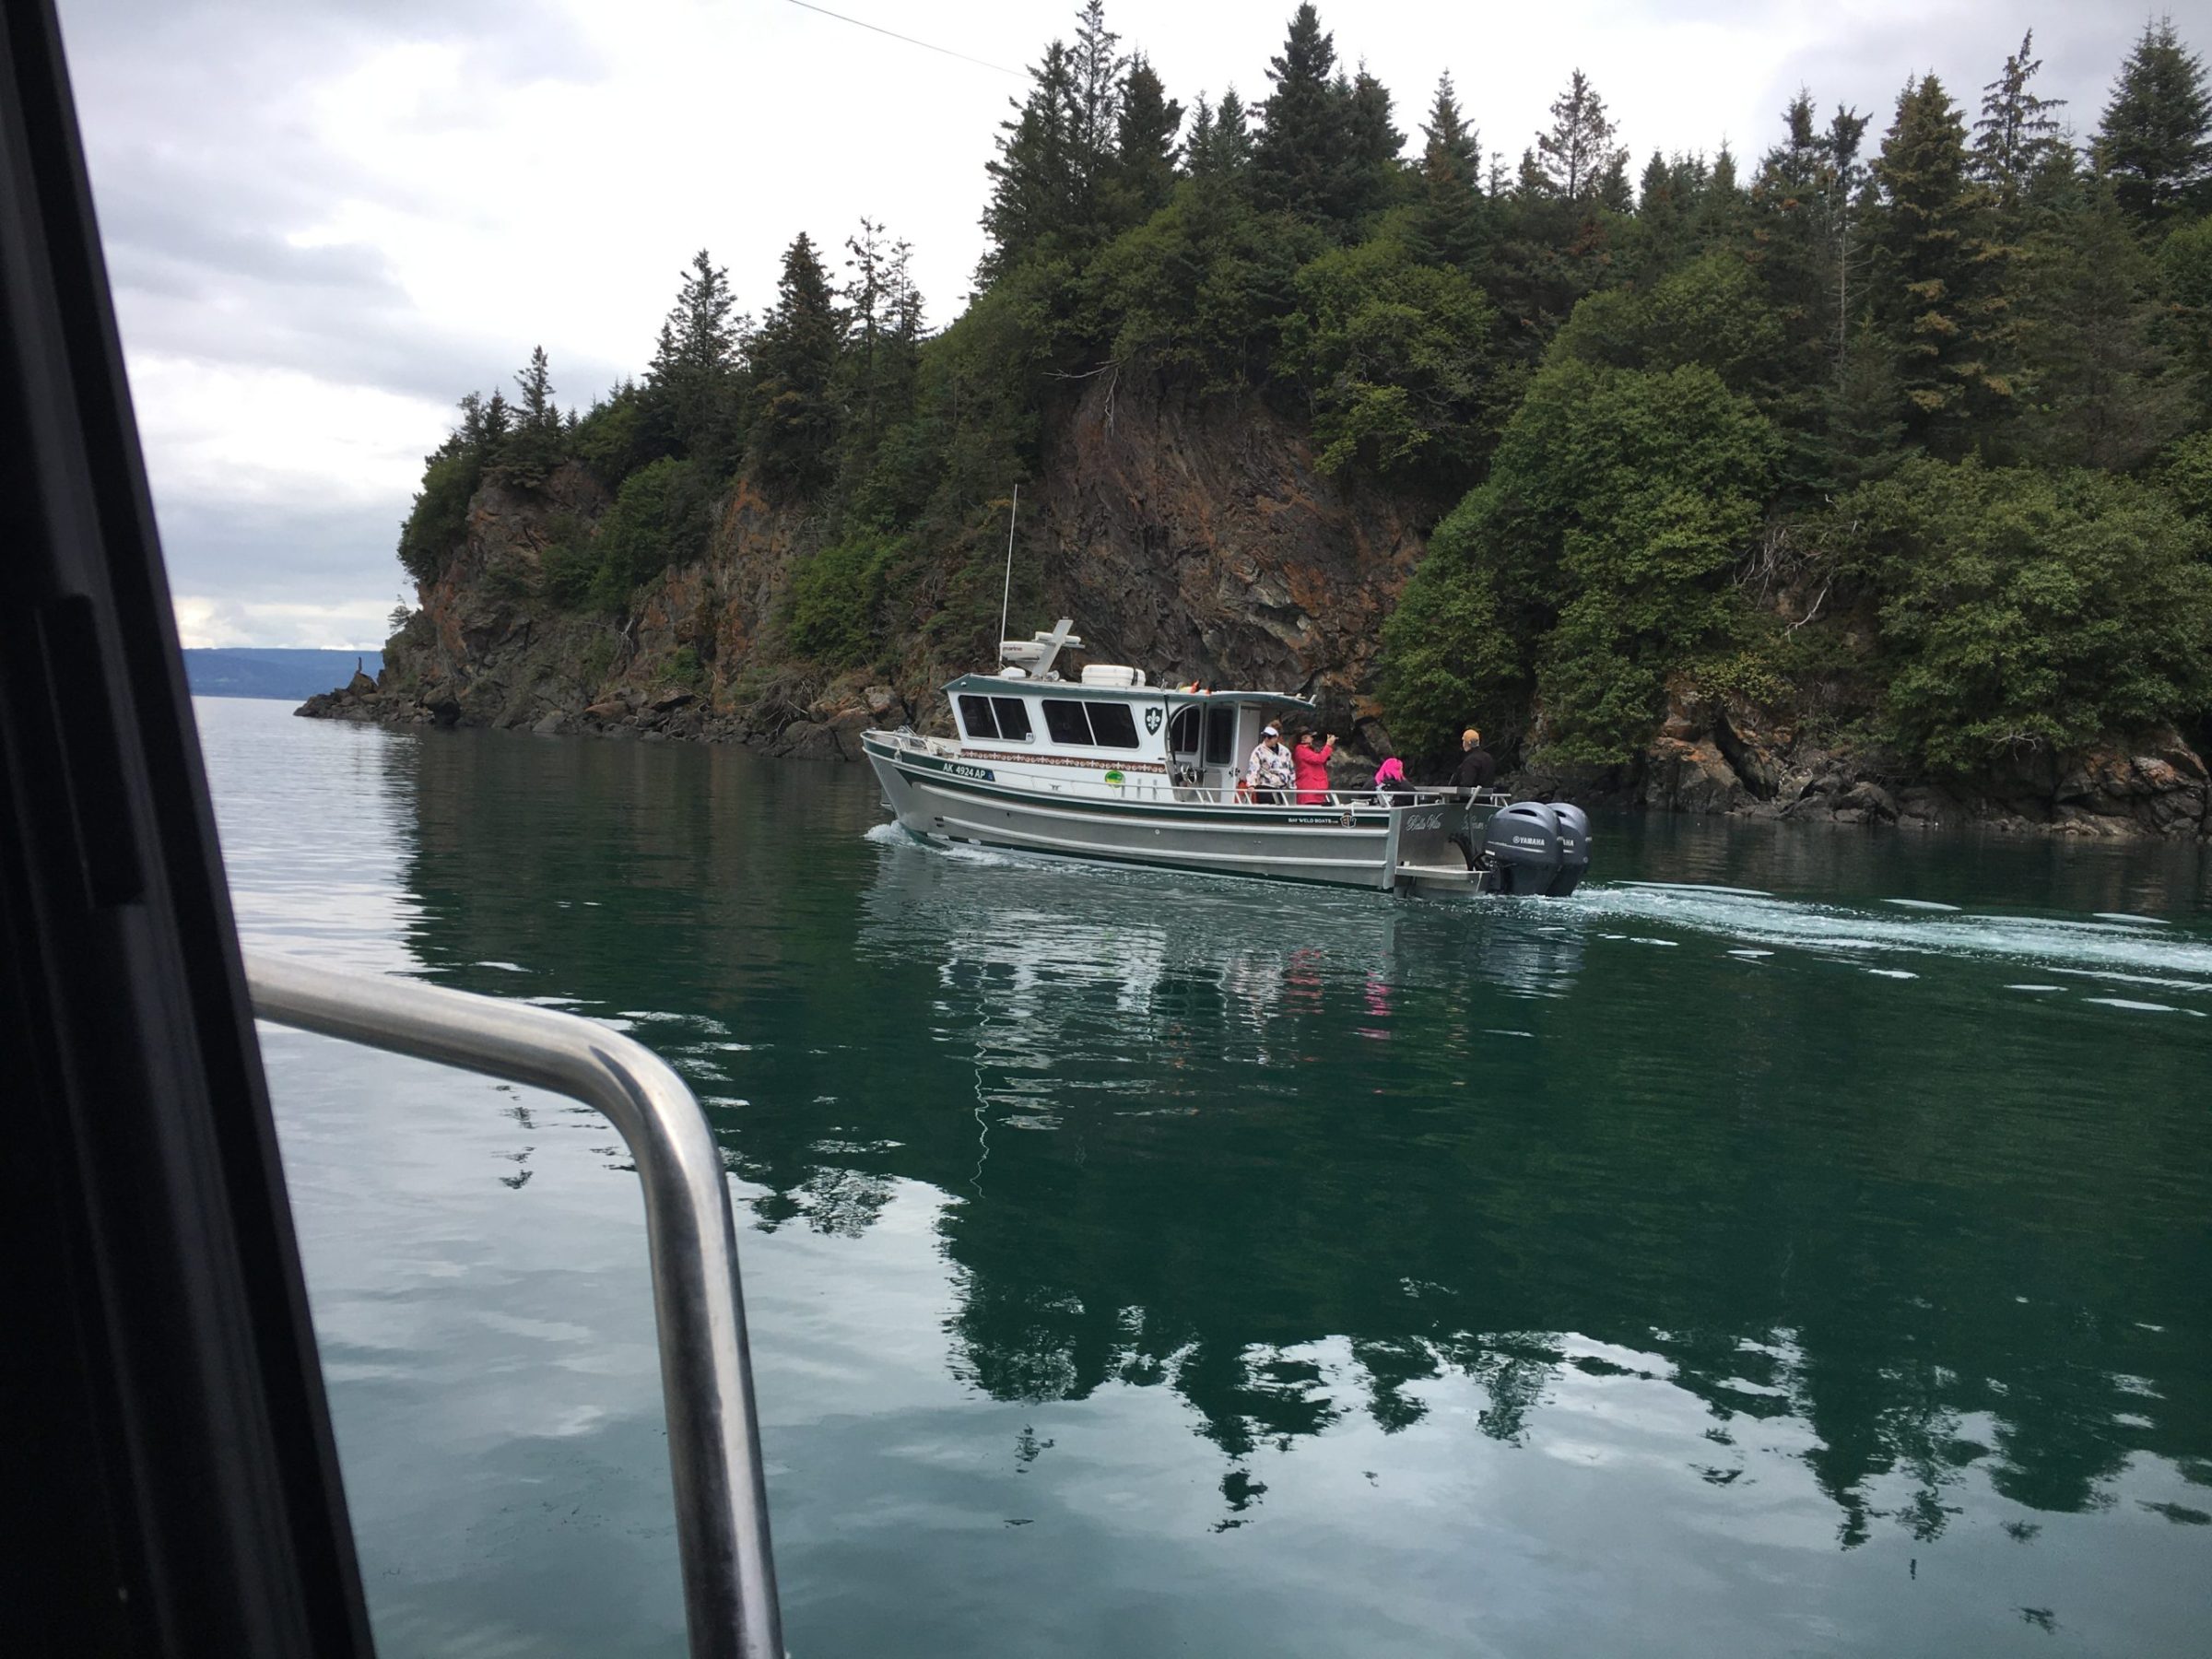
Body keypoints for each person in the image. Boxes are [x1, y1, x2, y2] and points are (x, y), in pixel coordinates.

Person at [1246, 724, 1295, 805]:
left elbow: (1291, 769)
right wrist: (1251, 784)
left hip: (1281, 788)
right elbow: (1253, 767)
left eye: (1269, 736)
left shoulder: (1285, 751)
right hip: (1265, 787)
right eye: (1264, 736)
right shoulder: (1258, 751)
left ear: (1276, 737)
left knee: (1279, 812)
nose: (1266, 739)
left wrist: (1292, 786)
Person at [1292, 729, 1335, 805]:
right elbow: (1319, 759)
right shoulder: (1301, 750)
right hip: (1309, 793)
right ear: (1304, 738)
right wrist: (1328, 745)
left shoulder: (1309, 750)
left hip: (1317, 792)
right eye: (1311, 736)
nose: (1312, 739)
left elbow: (1320, 759)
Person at [1448, 726, 1496, 792]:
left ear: (1465, 743)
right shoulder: (1488, 757)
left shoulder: (1471, 760)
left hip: (1472, 800)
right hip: (1486, 799)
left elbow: (1467, 783)